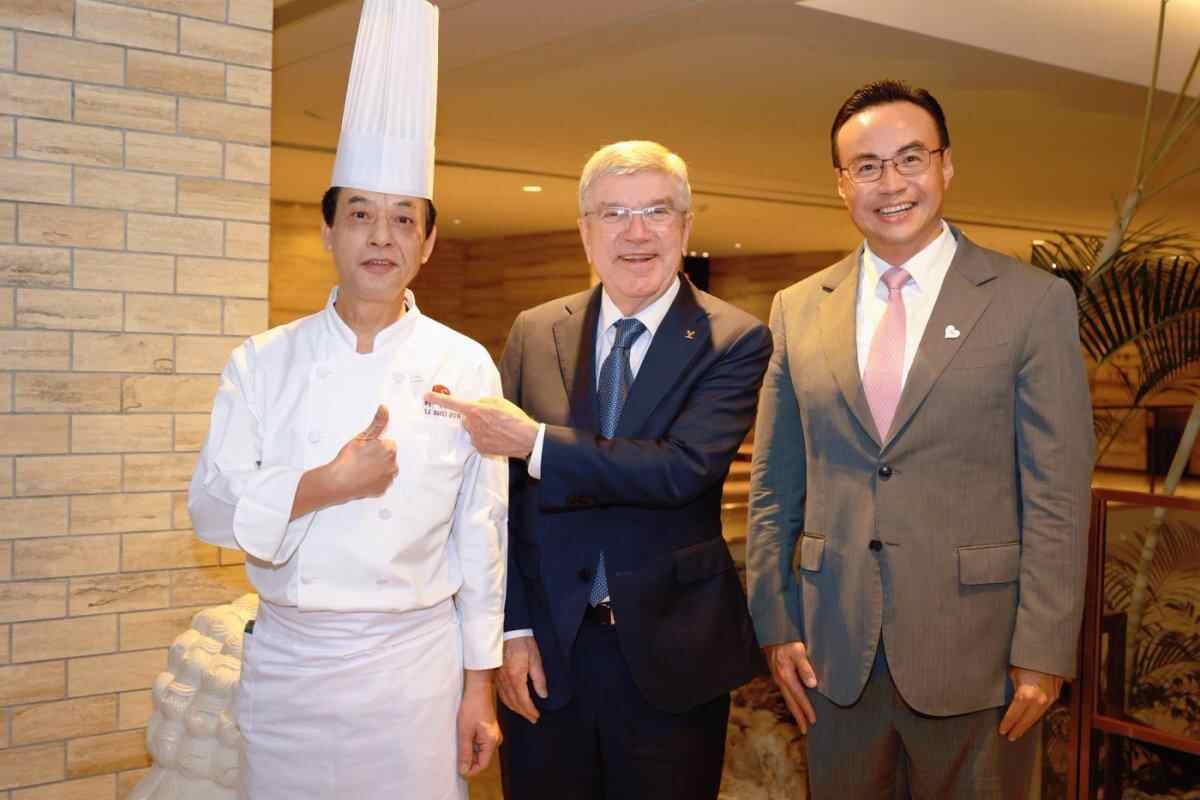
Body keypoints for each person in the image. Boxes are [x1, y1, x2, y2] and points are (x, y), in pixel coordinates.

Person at [188, 2, 506, 798]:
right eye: (360, 214)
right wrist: (323, 484)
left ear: (428, 242)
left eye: (403, 219)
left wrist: (479, 685)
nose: (381, 237)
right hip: (290, 667)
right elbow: (211, 511)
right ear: (329, 230)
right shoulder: (261, 361)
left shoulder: (464, 364)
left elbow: (482, 536)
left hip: (415, 671)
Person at [746, 80, 1093, 798]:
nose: (892, 182)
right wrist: (776, 624)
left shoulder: (1032, 303)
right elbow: (774, 488)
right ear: (842, 184)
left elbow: (1058, 495)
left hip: (982, 657)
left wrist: (1045, 649)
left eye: (911, 158)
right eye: (867, 166)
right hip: (833, 654)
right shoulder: (796, 309)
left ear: (946, 165)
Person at [425, 140, 771, 800]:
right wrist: (512, 630)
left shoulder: (734, 338)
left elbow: (681, 469)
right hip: (547, 652)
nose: (636, 233)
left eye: (656, 211)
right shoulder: (535, 331)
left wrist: (535, 442)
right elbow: (504, 501)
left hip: (673, 656)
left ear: (685, 226)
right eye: (613, 213)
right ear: (585, 231)